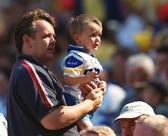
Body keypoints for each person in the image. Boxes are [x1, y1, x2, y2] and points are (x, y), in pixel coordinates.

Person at [7, 8, 105, 136]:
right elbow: (53, 119)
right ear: (27, 41)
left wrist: (85, 100)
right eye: (46, 36)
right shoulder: (29, 69)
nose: (53, 40)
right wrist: (90, 103)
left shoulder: (34, 68)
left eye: (53, 35)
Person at [61, 14, 104, 130]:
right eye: (93, 35)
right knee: (89, 129)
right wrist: (85, 78)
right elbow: (68, 79)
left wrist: (100, 85)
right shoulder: (75, 56)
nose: (98, 39)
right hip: (74, 100)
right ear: (77, 38)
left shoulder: (91, 57)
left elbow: (93, 78)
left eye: (99, 35)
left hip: (86, 101)